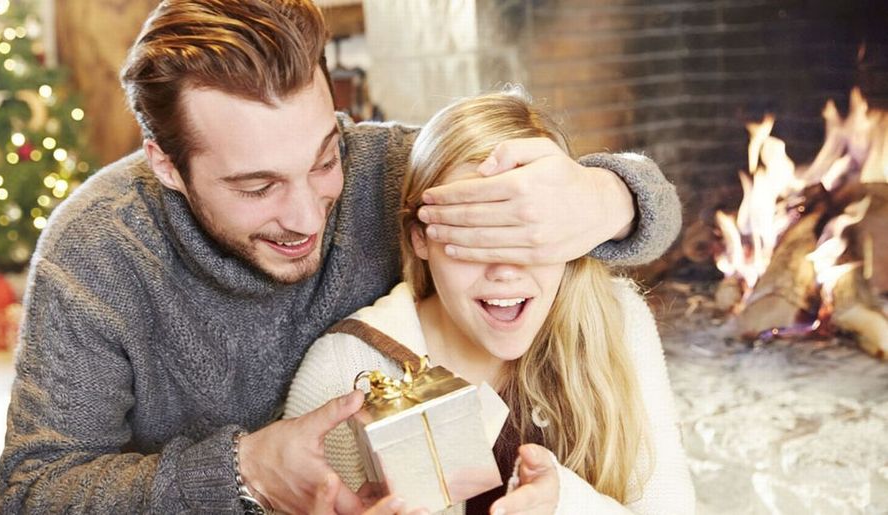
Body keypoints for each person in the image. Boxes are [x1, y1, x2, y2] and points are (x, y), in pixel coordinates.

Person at [0, 1, 683, 513]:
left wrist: (606, 196)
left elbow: (653, 212)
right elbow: (33, 491)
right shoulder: (96, 253)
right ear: (166, 165)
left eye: (323, 158)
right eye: (256, 185)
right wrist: (245, 468)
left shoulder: (386, 171)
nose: (305, 215)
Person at [285, 90, 695, 515]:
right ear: (419, 238)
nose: (505, 270)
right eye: (474, 238)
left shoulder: (618, 320)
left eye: (525, 233)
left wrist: (564, 506)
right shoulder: (343, 372)